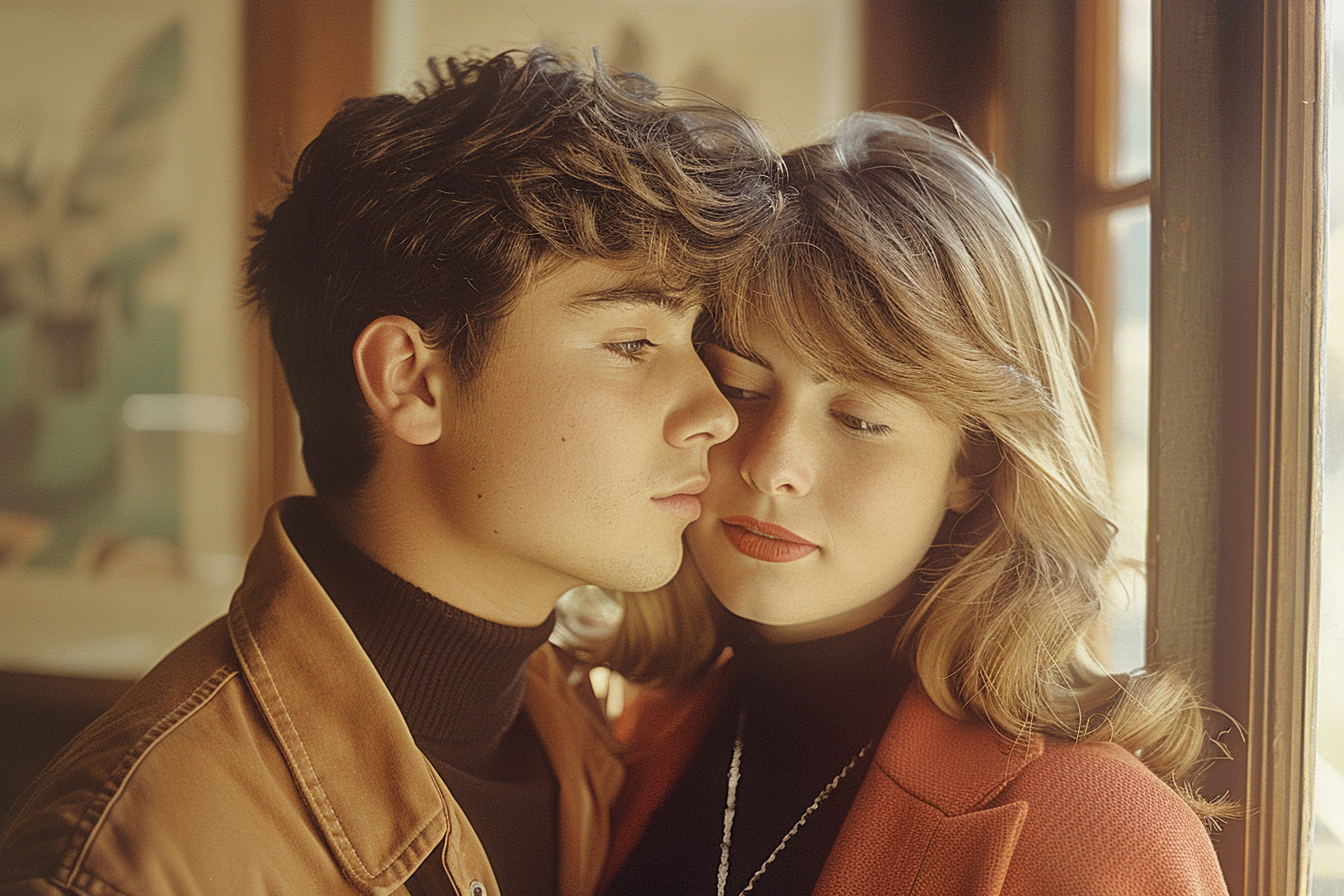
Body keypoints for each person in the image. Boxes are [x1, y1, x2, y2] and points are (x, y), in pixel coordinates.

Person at [0, 48, 781, 896]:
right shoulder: (137, 857)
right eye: (633, 343)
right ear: (411, 380)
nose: (716, 412)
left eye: (697, 346)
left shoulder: (596, 748)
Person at [598, 112, 1232, 896]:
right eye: (740, 389)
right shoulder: (624, 744)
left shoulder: (1099, 834)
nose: (771, 468)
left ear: (974, 461)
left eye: (860, 420)